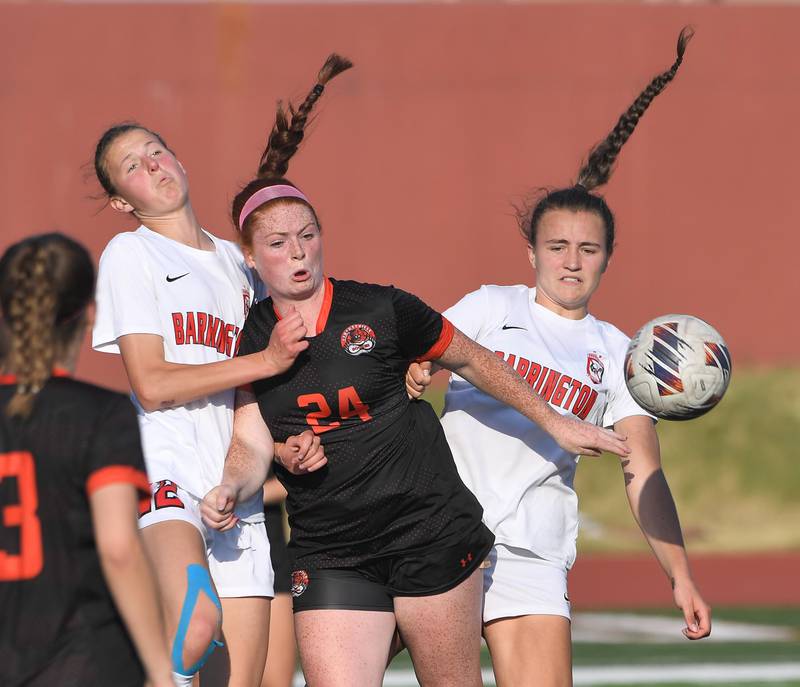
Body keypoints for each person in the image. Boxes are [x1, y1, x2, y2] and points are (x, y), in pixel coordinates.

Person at [200, 54, 630, 687]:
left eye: (308, 235)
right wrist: (232, 489)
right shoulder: (251, 338)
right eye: (278, 244)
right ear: (249, 255)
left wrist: (556, 420)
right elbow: (249, 440)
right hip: (331, 546)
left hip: (425, 526)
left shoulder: (382, 307)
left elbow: (473, 358)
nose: (298, 253)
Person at [407, 27, 711, 687]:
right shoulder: (491, 306)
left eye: (589, 249)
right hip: (438, 530)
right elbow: (419, 357)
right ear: (532, 254)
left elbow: (643, 473)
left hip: (530, 550)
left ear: (608, 258)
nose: (571, 262)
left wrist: (680, 573)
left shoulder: (619, 353)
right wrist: (419, 366)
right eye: (557, 246)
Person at [91, 120, 316, 687]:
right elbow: (152, 382)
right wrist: (265, 360)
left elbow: (258, 394)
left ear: (180, 160)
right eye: (132, 167)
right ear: (121, 201)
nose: (153, 167)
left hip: (235, 482)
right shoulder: (130, 253)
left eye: (156, 152)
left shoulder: (239, 267)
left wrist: (282, 445)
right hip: (164, 467)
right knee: (197, 620)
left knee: (243, 678)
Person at [0, 233, 174, 687]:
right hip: (87, 660)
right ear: (90, 314)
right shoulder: (101, 414)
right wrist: (159, 669)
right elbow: (119, 548)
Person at [260, 472, 298, 687]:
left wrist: (242, 493)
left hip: (267, 550)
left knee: (275, 681)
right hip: (200, 550)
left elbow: (295, 474)